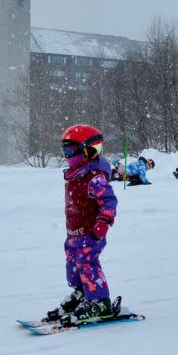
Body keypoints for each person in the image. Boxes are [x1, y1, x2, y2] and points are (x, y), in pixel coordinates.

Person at [45, 124, 119, 325]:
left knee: (87, 263)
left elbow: (110, 202)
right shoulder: (74, 174)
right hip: (74, 233)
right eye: (64, 150)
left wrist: (102, 224)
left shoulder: (94, 177)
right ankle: (82, 293)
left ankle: (100, 302)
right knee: (72, 263)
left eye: (71, 149)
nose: (67, 154)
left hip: (91, 233)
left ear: (87, 149)